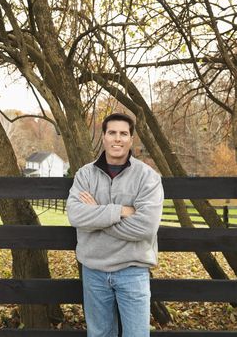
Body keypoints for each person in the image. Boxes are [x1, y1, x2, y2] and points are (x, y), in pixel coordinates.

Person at [66, 113, 164, 337]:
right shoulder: (85, 175)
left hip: (133, 270)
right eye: (112, 133)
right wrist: (119, 211)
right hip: (94, 271)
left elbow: (145, 227)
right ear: (104, 137)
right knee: (99, 334)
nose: (117, 139)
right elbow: (75, 215)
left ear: (131, 139)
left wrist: (97, 215)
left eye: (123, 133)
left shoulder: (147, 177)